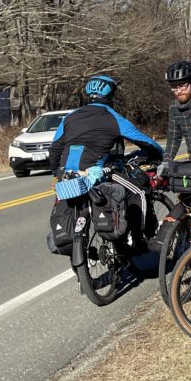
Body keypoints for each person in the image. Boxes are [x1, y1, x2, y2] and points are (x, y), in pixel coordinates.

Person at [48, 75, 164, 250]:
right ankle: (139, 240)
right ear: (111, 96)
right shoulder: (113, 117)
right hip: (95, 173)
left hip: (68, 176)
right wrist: (156, 153)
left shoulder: (69, 118)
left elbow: (54, 149)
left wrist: (56, 172)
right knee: (138, 193)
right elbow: (143, 141)